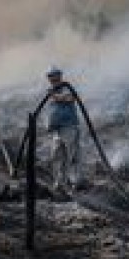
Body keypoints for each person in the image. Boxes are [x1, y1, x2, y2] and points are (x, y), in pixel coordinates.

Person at [46, 67, 81, 196]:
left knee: (72, 155)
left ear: (59, 76)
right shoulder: (52, 92)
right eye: (50, 76)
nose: (52, 78)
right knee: (57, 156)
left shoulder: (66, 87)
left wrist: (54, 96)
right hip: (57, 129)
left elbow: (69, 98)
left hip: (69, 127)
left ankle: (74, 183)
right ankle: (60, 183)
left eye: (54, 75)